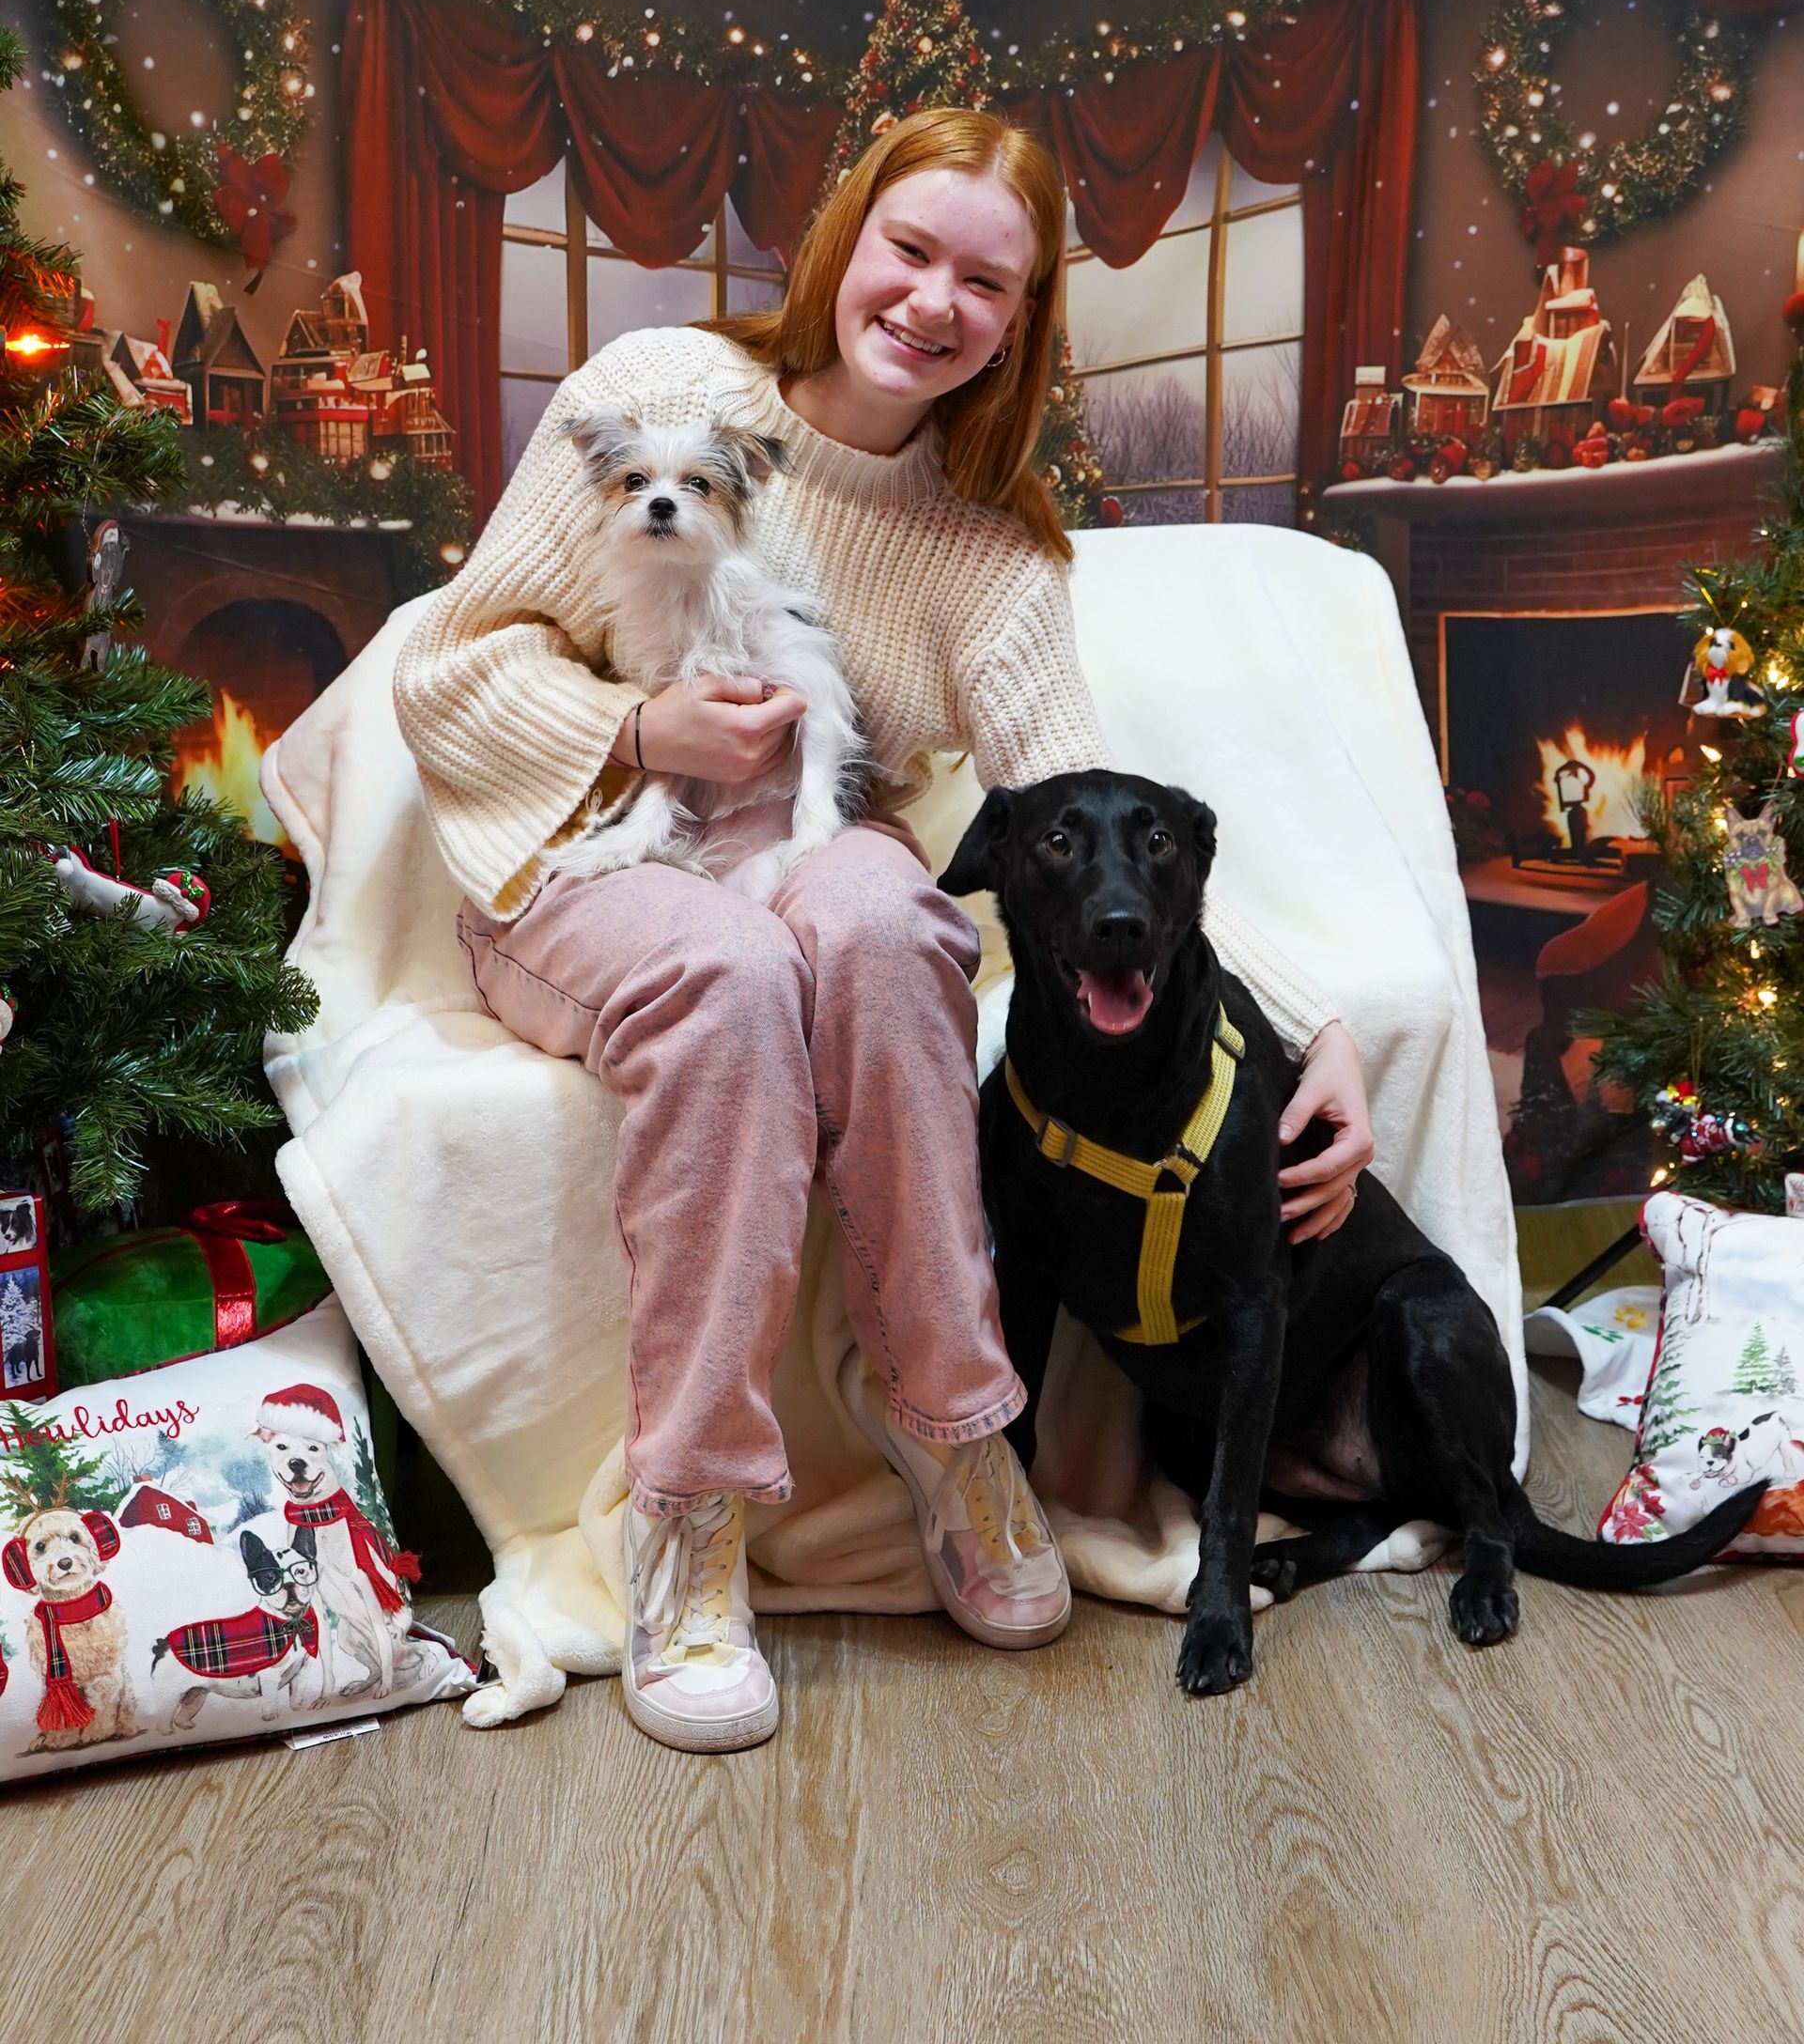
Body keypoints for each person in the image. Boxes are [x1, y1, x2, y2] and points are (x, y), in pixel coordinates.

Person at [392, 107, 1375, 1754]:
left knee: (887, 916)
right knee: (724, 971)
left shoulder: (989, 554)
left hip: (803, 846)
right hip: (587, 853)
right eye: (911, 250)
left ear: (1025, 317)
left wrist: (1305, 1020)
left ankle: (957, 1428)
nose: (933, 303)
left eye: (986, 282)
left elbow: (1081, 816)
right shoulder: (662, 404)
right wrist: (646, 737)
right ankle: (691, 1520)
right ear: (843, 237)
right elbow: (449, 669)